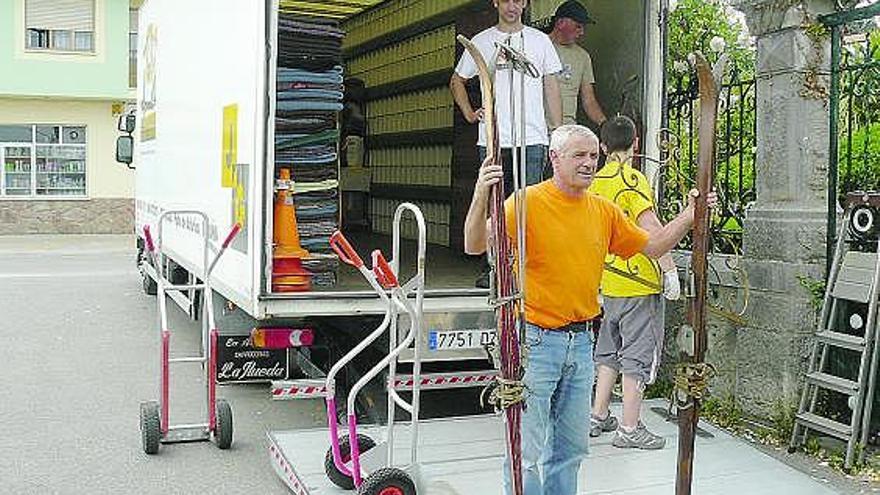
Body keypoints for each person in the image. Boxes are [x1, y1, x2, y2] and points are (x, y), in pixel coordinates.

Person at [463, 124, 715, 495]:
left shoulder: (604, 210)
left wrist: (689, 215)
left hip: (582, 344)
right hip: (534, 341)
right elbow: (474, 243)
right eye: (578, 155)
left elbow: (655, 245)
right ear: (554, 158)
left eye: (593, 155)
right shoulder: (526, 202)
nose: (588, 163)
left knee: (570, 450)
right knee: (526, 452)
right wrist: (480, 192)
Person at [451, 0, 563, 287]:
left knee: (529, 204)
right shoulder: (482, 40)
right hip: (492, 138)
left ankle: (526, 269)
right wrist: (468, 112)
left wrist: (559, 131)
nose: (513, 6)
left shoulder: (540, 41)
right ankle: (495, 269)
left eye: (518, 0)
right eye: (507, 0)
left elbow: (551, 86)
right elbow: (457, 80)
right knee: (495, 204)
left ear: (525, 4)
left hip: (534, 137)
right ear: (496, 3)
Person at [587, 115, 680, 449]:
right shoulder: (633, 179)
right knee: (637, 356)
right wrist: (669, 270)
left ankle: (597, 416)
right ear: (636, 143)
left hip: (608, 284)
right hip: (638, 283)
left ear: (601, 146)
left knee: (609, 350)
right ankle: (629, 427)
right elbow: (651, 229)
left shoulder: (594, 183)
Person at [547, 0, 606, 127]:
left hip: (567, 130)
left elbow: (589, 100)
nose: (582, 32)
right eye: (578, 26)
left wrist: (604, 124)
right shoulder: (538, 46)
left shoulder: (582, 56)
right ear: (560, 23)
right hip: (537, 133)